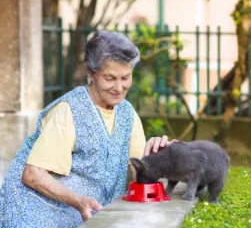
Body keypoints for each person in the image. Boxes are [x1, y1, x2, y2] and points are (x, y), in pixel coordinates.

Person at [0, 30, 176, 228]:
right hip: (36, 215)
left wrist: (163, 158)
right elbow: (32, 174)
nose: (119, 87)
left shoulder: (127, 113)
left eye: (125, 77)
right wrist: (78, 201)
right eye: (110, 78)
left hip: (85, 215)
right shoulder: (69, 111)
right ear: (90, 73)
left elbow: (139, 173)